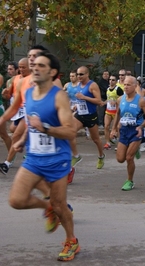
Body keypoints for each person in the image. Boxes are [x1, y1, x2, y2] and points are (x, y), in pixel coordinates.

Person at [8, 51, 79, 261]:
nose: (35, 68)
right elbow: (32, 123)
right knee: (16, 200)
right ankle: (47, 208)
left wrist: (46, 128)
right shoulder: (28, 94)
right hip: (34, 157)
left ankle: (71, 241)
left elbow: (70, 131)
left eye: (41, 65)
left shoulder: (59, 96)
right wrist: (24, 139)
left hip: (57, 159)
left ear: (52, 72)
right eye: (34, 65)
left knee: (61, 205)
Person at [111, 76, 145, 191]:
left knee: (129, 158)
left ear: (135, 86)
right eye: (124, 84)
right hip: (124, 130)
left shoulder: (141, 100)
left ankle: (130, 181)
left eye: (128, 85)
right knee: (120, 159)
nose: (126, 87)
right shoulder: (120, 99)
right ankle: (135, 150)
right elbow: (118, 114)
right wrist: (114, 129)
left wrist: (141, 126)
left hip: (136, 131)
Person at [69, 66, 105, 169]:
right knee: (70, 131)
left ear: (87, 74)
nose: (79, 76)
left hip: (91, 116)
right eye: (78, 74)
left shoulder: (92, 85)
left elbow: (98, 101)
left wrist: (84, 97)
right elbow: (80, 99)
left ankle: (101, 156)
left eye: (81, 74)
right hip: (80, 114)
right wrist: (76, 105)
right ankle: (76, 156)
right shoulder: (79, 85)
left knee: (95, 139)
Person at [103, 74, 124, 150]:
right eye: (110, 80)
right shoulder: (107, 89)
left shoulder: (118, 89)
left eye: (113, 80)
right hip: (108, 111)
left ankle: (119, 144)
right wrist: (103, 103)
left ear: (116, 81)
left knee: (118, 128)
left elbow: (123, 99)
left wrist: (116, 102)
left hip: (116, 112)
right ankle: (107, 142)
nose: (111, 81)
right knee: (106, 126)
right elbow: (108, 99)